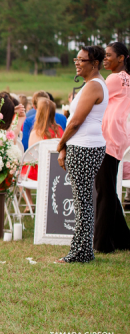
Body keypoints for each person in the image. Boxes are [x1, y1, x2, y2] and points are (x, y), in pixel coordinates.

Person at [56, 46, 109, 264]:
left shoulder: (94, 86)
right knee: (83, 201)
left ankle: (80, 253)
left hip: (85, 147)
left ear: (94, 63)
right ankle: (83, 251)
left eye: (82, 60)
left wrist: (61, 144)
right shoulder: (92, 84)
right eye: (75, 59)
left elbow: (76, 122)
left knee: (82, 201)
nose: (77, 63)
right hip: (85, 146)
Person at [94, 41, 130, 253]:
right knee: (107, 189)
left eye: (109, 55)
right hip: (119, 134)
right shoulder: (127, 79)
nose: (105, 58)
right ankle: (124, 238)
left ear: (121, 58)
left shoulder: (114, 78)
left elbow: (95, 95)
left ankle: (103, 243)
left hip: (107, 135)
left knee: (104, 191)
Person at [23, 98, 64, 180]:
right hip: (56, 170)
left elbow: (31, 156)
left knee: (22, 167)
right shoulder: (59, 130)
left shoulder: (36, 133)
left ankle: (27, 193)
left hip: (38, 172)